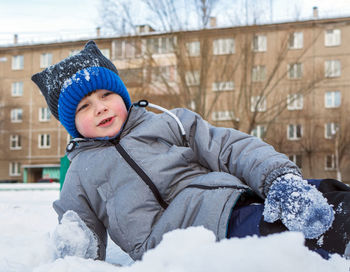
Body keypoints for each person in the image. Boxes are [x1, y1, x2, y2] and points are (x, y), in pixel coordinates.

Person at [32, 40, 350, 261]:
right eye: (85, 106)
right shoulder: (80, 175)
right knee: (296, 232)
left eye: (105, 95)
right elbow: (79, 234)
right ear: (71, 124)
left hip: (238, 198)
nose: (100, 108)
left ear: (122, 94)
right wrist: (72, 250)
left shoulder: (170, 123)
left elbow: (230, 147)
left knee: (328, 195)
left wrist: (278, 178)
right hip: (191, 239)